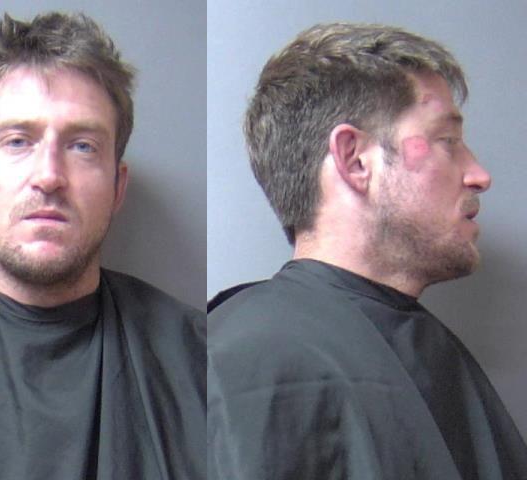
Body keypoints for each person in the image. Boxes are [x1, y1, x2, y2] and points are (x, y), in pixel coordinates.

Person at [0, 12, 205, 479]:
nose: (49, 176)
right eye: (18, 141)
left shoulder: (203, 363)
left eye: (82, 146)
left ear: (117, 187)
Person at [208, 23, 527, 479]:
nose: (479, 175)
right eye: (448, 141)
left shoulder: (434, 349)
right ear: (355, 159)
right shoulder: (246, 358)